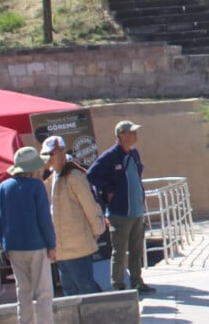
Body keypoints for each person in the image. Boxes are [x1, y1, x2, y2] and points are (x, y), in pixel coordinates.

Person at [87, 120, 154, 294]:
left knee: (136, 250)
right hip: (120, 213)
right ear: (121, 135)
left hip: (137, 211)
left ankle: (137, 282)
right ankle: (118, 286)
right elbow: (92, 175)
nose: (135, 135)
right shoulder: (111, 155)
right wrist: (109, 189)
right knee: (119, 251)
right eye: (131, 132)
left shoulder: (134, 154)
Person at [0, 146, 56, 324]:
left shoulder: (3, 187)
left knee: (23, 292)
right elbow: (44, 218)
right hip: (37, 246)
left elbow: (0, 220)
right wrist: (51, 245)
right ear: (33, 169)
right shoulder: (37, 186)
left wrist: (4, 246)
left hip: (13, 247)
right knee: (44, 293)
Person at [41, 136, 104, 296]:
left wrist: (96, 230)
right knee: (70, 292)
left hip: (77, 247)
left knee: (86, 289)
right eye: (46, 155)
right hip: (61, 248)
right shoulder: (51, 180)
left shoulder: (74, 176)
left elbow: (90, 206)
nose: (48, 159)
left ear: (62, 152)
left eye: (51, 154)